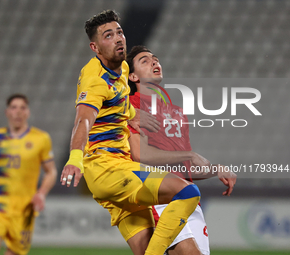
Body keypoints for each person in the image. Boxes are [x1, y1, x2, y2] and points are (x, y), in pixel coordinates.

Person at [60, 10, 209, 255]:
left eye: (119, 32)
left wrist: (131, 113)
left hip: (111, 174)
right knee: (187, 191)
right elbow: (83, 121)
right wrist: (74, 158)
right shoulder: (96, 81)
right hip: (109, 168)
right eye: (108, 35)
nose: (118, 38)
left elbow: (115, 103)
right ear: (95, 47)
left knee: (146, 247)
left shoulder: (120, 69)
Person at [126, 45, 237, 255]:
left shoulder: (177, 113)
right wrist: (190, 154)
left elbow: (184, 168)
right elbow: (141, 154)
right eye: (145, 61)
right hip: (159, 195)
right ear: (132, 76)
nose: (154, 62)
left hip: (187, 197)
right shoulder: (132, 107)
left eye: (155, 59)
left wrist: (215, 169)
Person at [0, 94, 57, 255]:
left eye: (22, 108)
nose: (18, 112)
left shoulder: (40, 138)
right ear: (7, 112)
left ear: (28, 112)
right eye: (14, 107)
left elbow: (51, 172)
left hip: (25, 209)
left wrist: (41, 194)